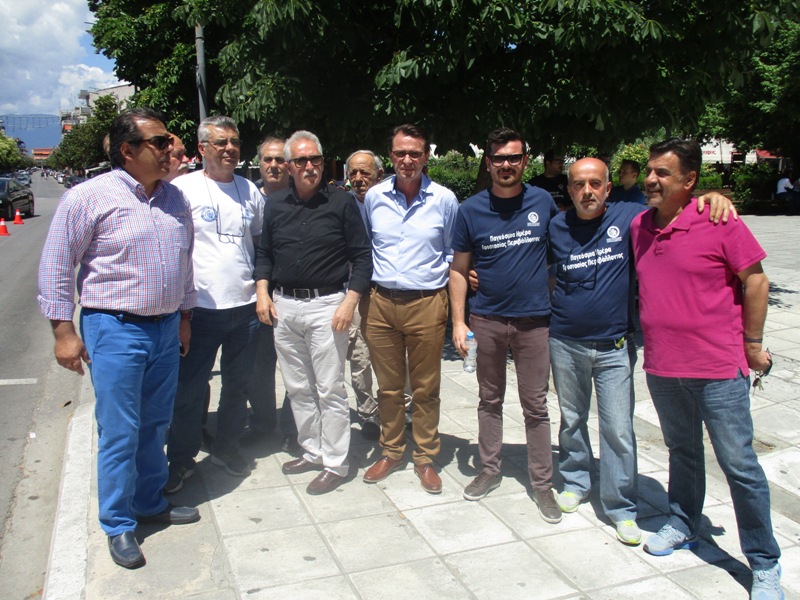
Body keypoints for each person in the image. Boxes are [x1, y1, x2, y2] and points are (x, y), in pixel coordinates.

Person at [38, 108, 199, 569]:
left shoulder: (174, 198)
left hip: (165, 328)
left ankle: (149, 501)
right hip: (115, 329)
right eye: (160, 142)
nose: (170, 149)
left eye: (169, 141)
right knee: (120, 429)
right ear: (128, 150)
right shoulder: (88, 197)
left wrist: (185, 316)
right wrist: (63, 331)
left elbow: (185, 262)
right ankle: (118, 522)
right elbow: (56, 264)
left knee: (155, 423)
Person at [631, 138, 784, 599]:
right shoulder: (639, 225)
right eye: (649, 171)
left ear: (689, 180)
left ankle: (764, 562)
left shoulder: (718, 219)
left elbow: (756, 281)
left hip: (717, 366)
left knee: (738, 464)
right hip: (663, 364)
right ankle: (683, 522)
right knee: (682, 451)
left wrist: (752, 344)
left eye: (662, 173)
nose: (651, 179)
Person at [449, 128, 561, 522]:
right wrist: (458, 322)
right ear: (489, 163)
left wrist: (545, 292)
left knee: (536, 405)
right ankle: (490, 469)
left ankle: (542, 484)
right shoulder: (470, 210)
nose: (506, 164)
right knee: (489, 400)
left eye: (513, 157)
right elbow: (459, 269)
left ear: (525, 161)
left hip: (534, 322)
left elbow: (558, 254)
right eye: (498, 158)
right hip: (487, 320)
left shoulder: (543, 202)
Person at [255, 130, 372, 495]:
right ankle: (312, 450)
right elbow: (265, 254)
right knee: (297, 387)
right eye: (302, 160)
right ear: (289, 166)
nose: (310, 166)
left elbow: (362, 256)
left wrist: (349, 302)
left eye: (316, 160)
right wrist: (262, 292)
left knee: (329, 389)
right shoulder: (275, 204)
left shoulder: (341, 202)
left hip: (328, 307)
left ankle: (336, 463)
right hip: (284, 307)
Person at [165, 116, 263, 493]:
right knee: (189, 390)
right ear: (202, 148)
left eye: (234, 142)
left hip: (245, 309)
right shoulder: (182, 189)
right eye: (221, 142)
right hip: (199, 311)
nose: (230, 149)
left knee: (238, 386)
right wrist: (180, 311)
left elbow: (259, 244)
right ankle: (181, 459)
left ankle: (227, 448)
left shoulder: (249, 190)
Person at [361, 124, 459, 494]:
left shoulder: (444, 200)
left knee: (425, 387)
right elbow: (367, 246)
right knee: (388, 387)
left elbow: (452, 251)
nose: (407, 160)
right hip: (382, 303)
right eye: (400, 153)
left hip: (426, 303)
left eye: (415, 153)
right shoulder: (374, 197)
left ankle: (425, 457)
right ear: (391, 156)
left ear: (425, 156)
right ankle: (391, 450)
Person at [244, 135, 298, 451]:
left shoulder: (302, 197)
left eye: (281, 159)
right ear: (259, 163)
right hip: (256, 297)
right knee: (258, 367)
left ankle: (293, 427)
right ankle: (263, 422)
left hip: (294, 296)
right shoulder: (246, 198)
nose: (274, 165)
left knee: (297, 366)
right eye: (268, 159)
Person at [344, 149, 384, 439]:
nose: (358, 179)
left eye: (365, 172)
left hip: (388, 292)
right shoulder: (341, 205)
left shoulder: (392, 203)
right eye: (353, 173)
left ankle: (404, 409)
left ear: (379, 175)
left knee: (398, 357)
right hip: (354, 293)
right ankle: (368, 414)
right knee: (359, 357)